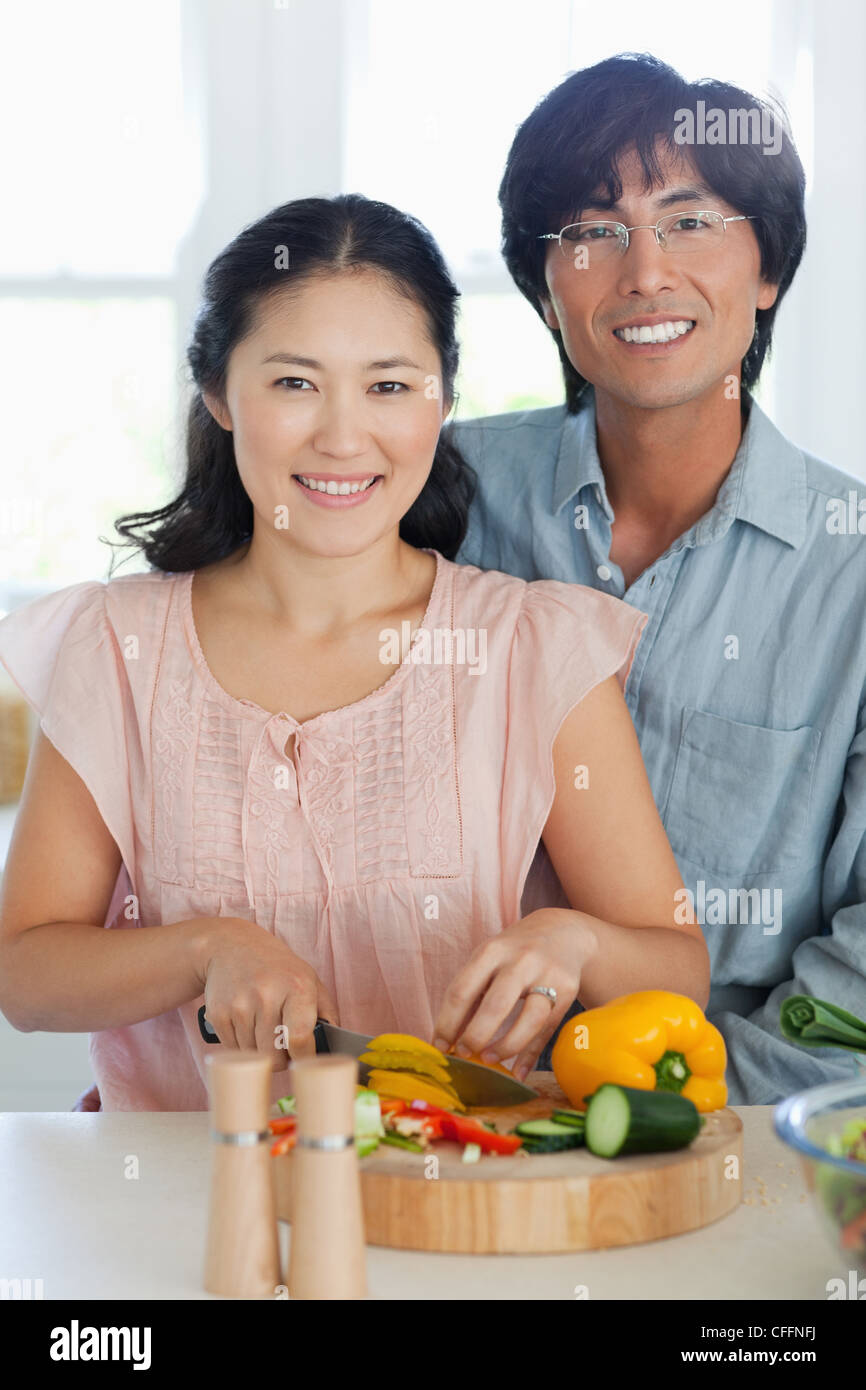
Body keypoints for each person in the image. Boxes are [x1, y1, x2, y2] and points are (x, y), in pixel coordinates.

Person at [0, 193, 708, 1111]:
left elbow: (677, 969)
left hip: (463, 1203)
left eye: (388, 385)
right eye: (294, 383)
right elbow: (24, 973)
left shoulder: (535, 648)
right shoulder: (117, 646)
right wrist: (203, 949)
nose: (342, 436)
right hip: (192, 1209)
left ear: (443, 397)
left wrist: (576, 943)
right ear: (218, 393)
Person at [452, 52, 866, 1104]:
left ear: (766, 269)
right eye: (589, 231)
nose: (642, 272)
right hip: (434, 1107)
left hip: (746, 1128)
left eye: (688, 221)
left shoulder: (851, 568)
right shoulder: (438, 493)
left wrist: (691, 1111)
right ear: (544, 292)